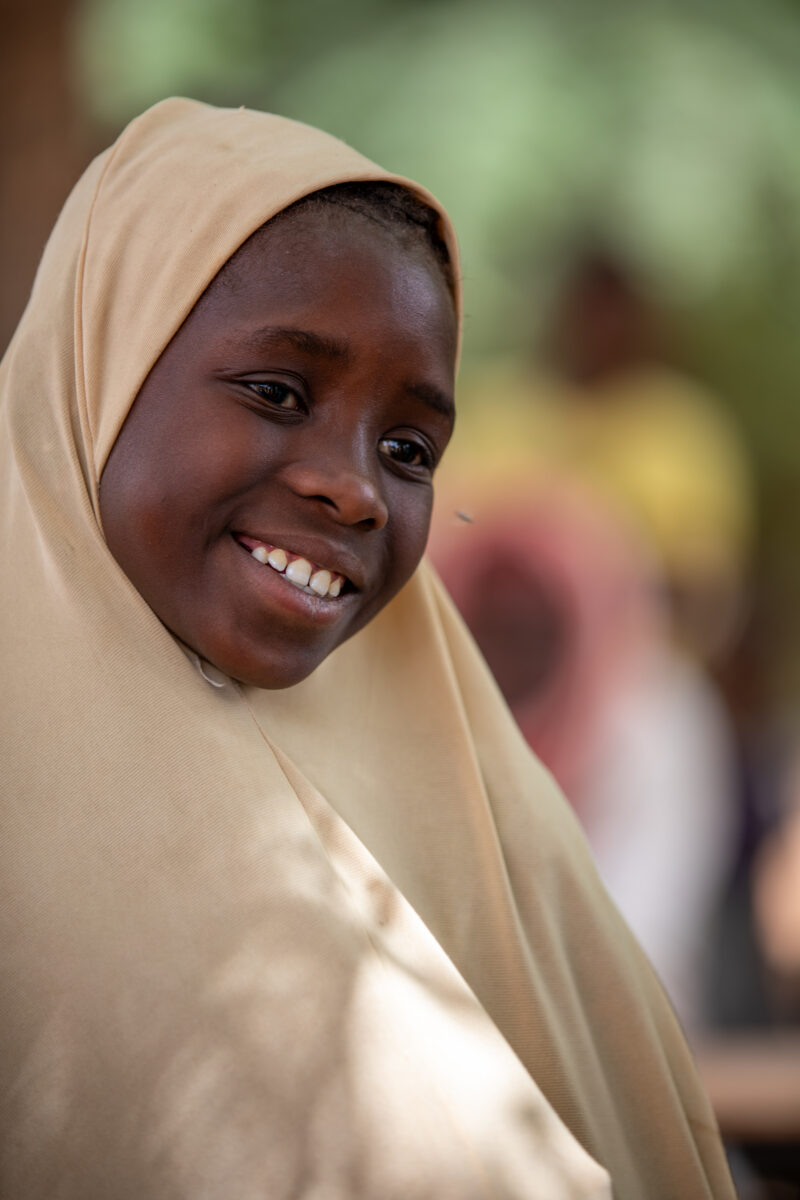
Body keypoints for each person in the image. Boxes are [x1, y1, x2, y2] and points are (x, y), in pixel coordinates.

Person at [0, 98, 734, 1198]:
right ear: (100, 360)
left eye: (406, 446)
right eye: (276, 391)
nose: (351, 488)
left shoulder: (484, 814)